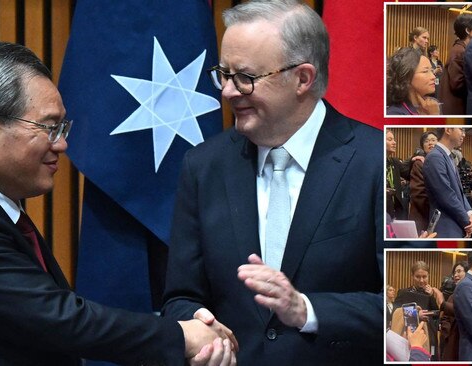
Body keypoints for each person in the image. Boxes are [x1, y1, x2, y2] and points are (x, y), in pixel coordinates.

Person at [0, 42, 237, 366]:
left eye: (62, 128)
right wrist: (180, 335)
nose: (62, 146)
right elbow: (61, 320)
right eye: (49, 128)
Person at [162, 1, 404, 364]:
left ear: (302, 78)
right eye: (223, 74)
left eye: (245, 77)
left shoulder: (375, 163)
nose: (227, 92)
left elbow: (404, 307)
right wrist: (199, 326)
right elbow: (181, 296)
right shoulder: (204, 166)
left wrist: (306, 309)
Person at [423, 128, 472, 238]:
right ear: (448, 129)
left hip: (457, 222)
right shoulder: (435, 156)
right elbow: (446, 195)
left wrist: (470, 213)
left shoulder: (449, 156)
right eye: (461, 129)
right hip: (446, 226)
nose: (464, 134)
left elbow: (459, 192)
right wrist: (466, 221)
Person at [394, 261, 443, 360]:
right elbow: (395, 313)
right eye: (418, 276)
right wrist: (415, 314)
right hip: (408, 336)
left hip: (428, 335)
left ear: (428, 276)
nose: (421, 280)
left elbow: (437, 314)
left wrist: (431, 297)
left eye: (424, 277)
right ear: (412, 276)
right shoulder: (403, 293)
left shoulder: (430, 295)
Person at [439, 14, 472, 115]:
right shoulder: (460, 51)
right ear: (468, 30)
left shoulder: (461, 49)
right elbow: (458, 84)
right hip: (456, 107)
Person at [386, 47, 440, 115]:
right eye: (425, 71)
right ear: (407, 77)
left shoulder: (432, 105)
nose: (433, 77)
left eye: (432, 71)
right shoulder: (395, 113)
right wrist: (434, 117)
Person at [408, 131, 437, 233]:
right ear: (422, 146)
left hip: (437, 217)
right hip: (423, 216)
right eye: (427, 141)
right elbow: (418, 194)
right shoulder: (419, 163)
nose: (430, 143)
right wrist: (436, 210)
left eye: (433, 140)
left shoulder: (441, 164)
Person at [439, 261, 468, 361]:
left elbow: (465, 312)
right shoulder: (452, 296)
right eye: (454, 272)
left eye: (459, 271)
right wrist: (447, 333)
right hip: (451, 341)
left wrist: (443, 304)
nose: (456, 275)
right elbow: (445, 317)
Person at [386, 130, 410, 220]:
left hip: (395, 209)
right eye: (390, 139)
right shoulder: (375, 161)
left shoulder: (394, 161)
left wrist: (414, 158)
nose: (394, 142)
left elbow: (408, 174)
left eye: (394, 139)